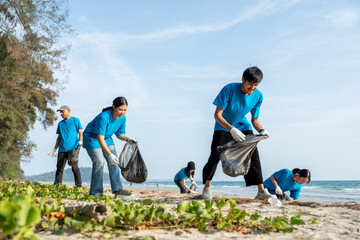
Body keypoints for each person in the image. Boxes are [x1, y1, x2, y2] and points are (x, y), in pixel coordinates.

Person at [202, 66, 272, 200]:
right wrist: (231, 129)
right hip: (223, 125)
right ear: (243, 79)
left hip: (243, 125)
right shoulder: (229, 89)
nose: (252, 88)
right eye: (250, 84)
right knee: (215, 155)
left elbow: (255, 120)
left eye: (256, 85)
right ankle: (207, 186)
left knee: (253, 154)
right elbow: (217, 115)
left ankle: (261, 191)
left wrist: (262, 130)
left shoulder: (258, 96)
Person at [83, 97, 136, 197]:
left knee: (115, 162)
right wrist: (109, 155)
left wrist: (128, 139)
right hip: (92, 138)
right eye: (120, 109)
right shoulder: (104, 117)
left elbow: (119, 134)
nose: (122, 112)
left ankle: (118, 190)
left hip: (106, 138)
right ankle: (96, 192)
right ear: (114, 107)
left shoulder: (122, 118)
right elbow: (100, 138)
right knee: (99, 162)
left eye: (125, 110)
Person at [49, 105, 83, 187]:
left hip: (73, 149)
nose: (61, 114)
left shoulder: (75, 120)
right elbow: (59, 137)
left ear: (68, 111)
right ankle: (57, 186)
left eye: (62, 111)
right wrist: (54, 149)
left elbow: (80, 132)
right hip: (62, 149)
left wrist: (80, 141)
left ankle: (78, 186)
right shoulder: (60, 124)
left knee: (75, 168)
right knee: (59, 169)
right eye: (60, 112)